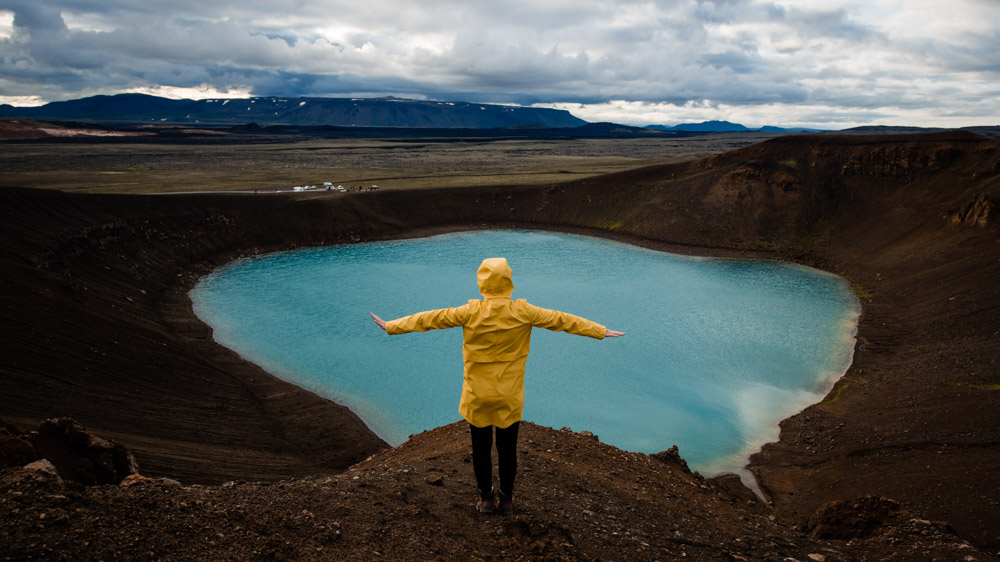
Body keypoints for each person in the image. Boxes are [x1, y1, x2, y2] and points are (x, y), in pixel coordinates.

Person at [370, 257, 624, 515]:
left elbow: (430, 319)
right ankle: (507, 501)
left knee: (480, 449)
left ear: (482, 283)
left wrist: (393, 326)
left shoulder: (469, 312)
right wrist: (599, 330)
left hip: (477, 395)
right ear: (509, 282)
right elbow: (562, 320)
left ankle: (486, 500)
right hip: (509, 395)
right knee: (507, 449)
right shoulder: (524, 312)